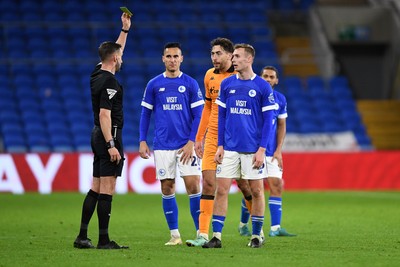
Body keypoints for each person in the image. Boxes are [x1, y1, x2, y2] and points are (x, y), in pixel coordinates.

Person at [202, 44, 276, 249]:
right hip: (230, 149)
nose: (233, 59)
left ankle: (256, 236)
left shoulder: (262, 86)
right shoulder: (227, 85)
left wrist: (262, 149)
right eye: (232, 56)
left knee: (257, 191)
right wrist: (220, 146)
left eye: (237, 56)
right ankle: (216, 236)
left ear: (249, 59)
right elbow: (222, 116)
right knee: (222, 190)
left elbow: (269, 120)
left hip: (253, 150)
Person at [186, 38, 253, 247]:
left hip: (235, 138)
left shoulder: (239, 76)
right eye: (212, 54)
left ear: (229, 55)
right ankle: (203, 234)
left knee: (244, 184)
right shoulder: (209, 76)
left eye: (218, 54)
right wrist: (199, 136)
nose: (214, 58)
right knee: (207, 182)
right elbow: (207, 107)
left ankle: (257, 229)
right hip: (213, 136)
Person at [73, 12, 131, 249]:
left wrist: (124, 30)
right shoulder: (109, 82)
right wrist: (111, 144)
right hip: (109, 135)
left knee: (95, 188)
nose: (121, 58)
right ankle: (104, 240)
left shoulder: (96, 73)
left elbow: (115, 51)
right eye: (119, 56)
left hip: (96, 134)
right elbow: (105, 114)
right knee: (107, 189)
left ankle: (82, 237)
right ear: (115, 58)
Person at [139, 42, 204, 246]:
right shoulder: (154, 84)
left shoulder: (191, 84)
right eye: (169, 56)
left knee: (193, 185)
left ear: (181, 59)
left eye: (176, 56)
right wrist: (142, 140)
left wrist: (192, 142)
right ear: (163, 59)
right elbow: (145, 113)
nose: (172, 60)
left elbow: (199, 115)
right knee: (167, 187)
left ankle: (200, 233)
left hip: (186, 145)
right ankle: (175, 235)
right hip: (163, 145)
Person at [238, 66, 296, 237]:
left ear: (276, 80)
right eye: (265, 76)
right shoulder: (251, 95)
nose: (268, 79)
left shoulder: (280, 99)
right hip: (253, 150)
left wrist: (278, 150)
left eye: (272, 77)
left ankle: (275, 228)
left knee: (277, 184)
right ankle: (243, 225)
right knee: (253, 189)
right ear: (260, 77)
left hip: (271, 152)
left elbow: (281, 126)